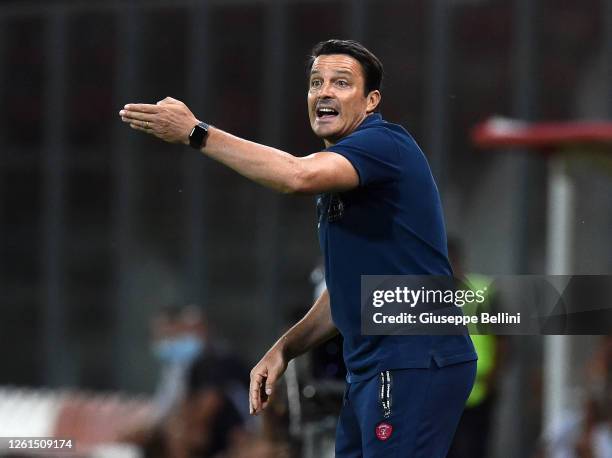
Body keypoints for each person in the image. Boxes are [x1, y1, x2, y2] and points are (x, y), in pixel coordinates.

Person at [119, 39, 477, 457]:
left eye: (342, 83)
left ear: (371, 101)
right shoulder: (341, 181)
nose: (324, 91)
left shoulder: (384, 144)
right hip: (372, 367)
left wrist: (197, 133)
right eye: (316, 82)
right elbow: (344, 293)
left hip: (414, 358)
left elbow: (295, 176)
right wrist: (284, 349)